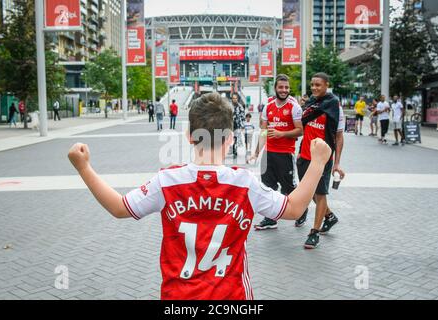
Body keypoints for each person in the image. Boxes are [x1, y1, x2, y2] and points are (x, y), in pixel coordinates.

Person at [67, 91, 331, 300]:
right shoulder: (244, 183)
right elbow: (295, 208)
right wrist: (318, 162)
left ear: (189, 136)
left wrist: (84, 167)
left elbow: (119, 207)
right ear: (230, 139)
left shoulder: (167, 181)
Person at [296, 72, 345, 249]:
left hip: (322, 157)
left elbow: (339, 137)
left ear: (326, 85)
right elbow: (304, 128)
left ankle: (314, 233)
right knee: (311, 194)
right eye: (313, 85)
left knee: (320, 193)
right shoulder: (310, 103)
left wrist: (337, 163)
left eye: (319, 85)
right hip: (305, 156)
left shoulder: (334, 106)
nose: (315, 88)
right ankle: (330, 216)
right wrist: (301, 152)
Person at [250, 74, 304, 231]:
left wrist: (282, 134)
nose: (284, 90)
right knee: (267, 187)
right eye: (281, 87)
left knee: (288, 188)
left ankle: (302, 210)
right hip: (269, 154)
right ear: (275, 88)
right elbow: (264, 132)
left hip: (285, 154)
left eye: (286, 87)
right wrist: (256, 152)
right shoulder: (268, 107)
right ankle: (270, 218)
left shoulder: (294, 107)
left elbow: (300, 131)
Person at [231, 93, 245, 159]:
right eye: (233, 98)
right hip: (230, 125)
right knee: (230, 138)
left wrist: (242, 126)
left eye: (236, 98)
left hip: (237, 125)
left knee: (235, 138)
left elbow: (243, 117)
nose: (234, 99)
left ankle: (235, 150)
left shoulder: (240, 107)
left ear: (237, 99)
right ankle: (231, 148)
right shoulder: (229, 106)